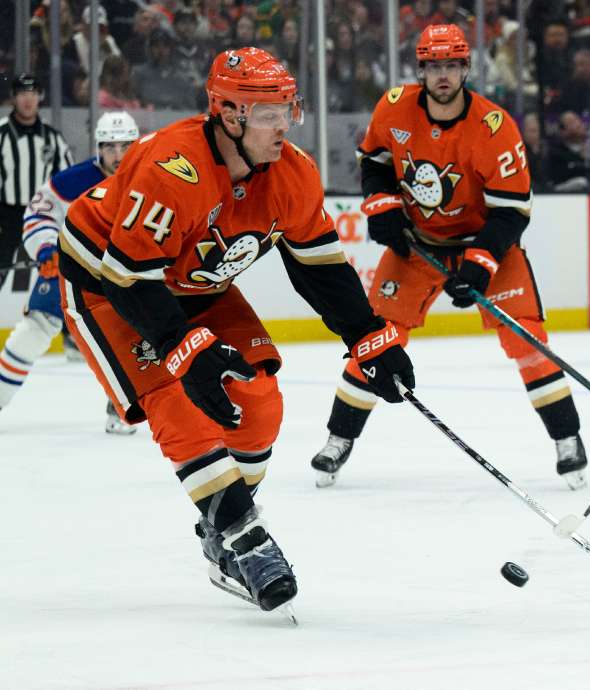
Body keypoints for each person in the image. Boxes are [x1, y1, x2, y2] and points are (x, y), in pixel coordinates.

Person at [58, 48, 414, 616]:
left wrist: (368, 335)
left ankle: (219, 521)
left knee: (258, 399)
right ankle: (242, 536)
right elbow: (129, 279)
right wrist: (183, 349)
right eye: (271, 113)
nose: (286, 124)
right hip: (111, 282)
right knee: (174, 396)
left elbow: (319, 268)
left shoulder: (293, 172)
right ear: (229, 114)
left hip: (194, 282)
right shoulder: (172, 167)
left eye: (288, 109)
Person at [310, 25, 588, 490]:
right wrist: (382, 209)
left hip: (485, 240)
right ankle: (338, 438)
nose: (442, 75)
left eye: (451, 65)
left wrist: (480, 263)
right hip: (418, 245)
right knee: (376, 339)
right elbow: (375, 161)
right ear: (421, 69)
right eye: (434, 66)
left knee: (527, 339)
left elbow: (513, 209)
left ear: (465, 69)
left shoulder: (493, 126)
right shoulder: (394, 106)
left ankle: (568, 440)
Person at [1, 112, 140, 435]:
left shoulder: (151, 177)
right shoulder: (73, 180)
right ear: (98, 147)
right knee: (33, 331)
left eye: (124, 147)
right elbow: (39, 213)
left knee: (131, 339)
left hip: (123, 272)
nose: (117, 156)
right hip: (72, 266)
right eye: (110, 147)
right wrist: (47, 250)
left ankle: (120, 407)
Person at [0, 75, 73, 291]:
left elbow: (68, 180)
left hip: (42, 216)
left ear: (40, 97)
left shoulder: (53, 138)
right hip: (5, 217)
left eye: (33, 93)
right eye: (23, 93)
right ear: (13, 98)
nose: (28, 99)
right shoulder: (2, 134)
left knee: (54, 269)